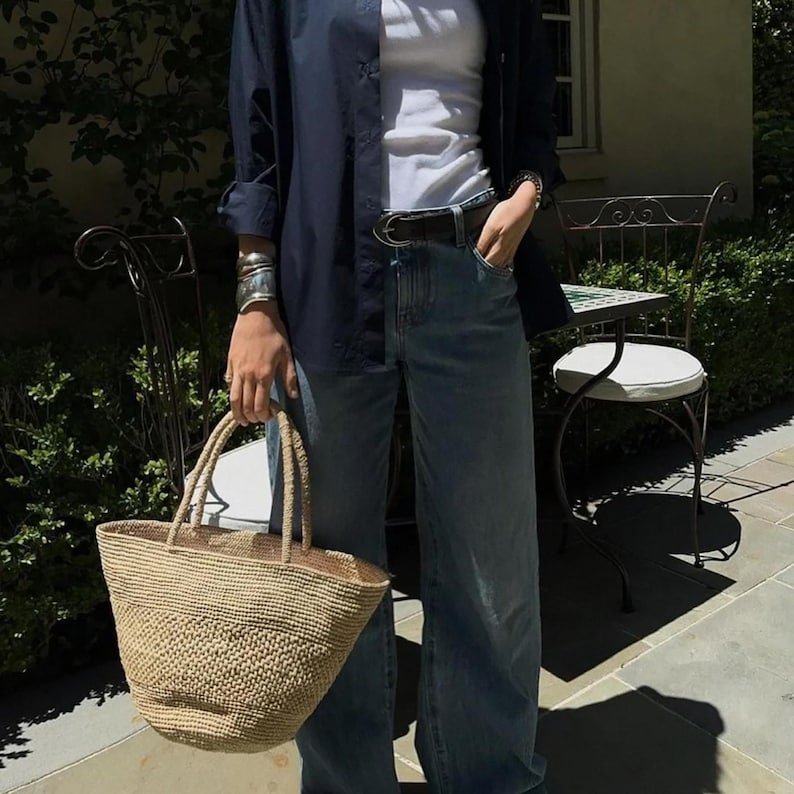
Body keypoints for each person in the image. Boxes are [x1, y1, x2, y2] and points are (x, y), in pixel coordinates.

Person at [219, 1, 572, 792]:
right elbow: (258, 135)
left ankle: (490, 776)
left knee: (493, 565)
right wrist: (255, 296)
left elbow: (534, 116)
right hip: (330, 287)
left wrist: (526, 193)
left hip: (474, 276)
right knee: (327, 570)